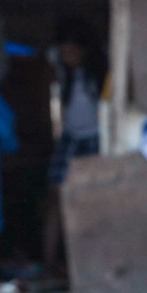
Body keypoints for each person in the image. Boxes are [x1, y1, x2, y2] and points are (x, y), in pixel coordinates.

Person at [43, 18, 106, 274]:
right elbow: (49, 53)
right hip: (70, 139)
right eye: (64, 50)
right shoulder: (63, 71)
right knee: (55, 198)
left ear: (85, 50)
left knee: (89, 202)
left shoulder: (100, 74)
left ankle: (85, 265)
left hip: (94, 139)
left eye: (71, 50)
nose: (66, 55)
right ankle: (49, 263)